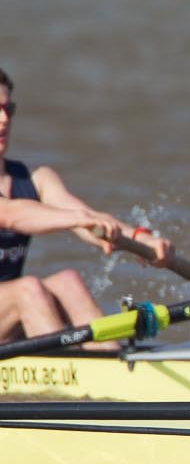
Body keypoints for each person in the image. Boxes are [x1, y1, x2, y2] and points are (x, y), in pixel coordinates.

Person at [0, 65, 177, 341]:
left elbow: (90, 220)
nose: (3, 120)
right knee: (29, 289)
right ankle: (69, 373)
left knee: (68, 282)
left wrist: (141, 240)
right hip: (15, 300)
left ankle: (110, 364)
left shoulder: (35, 179)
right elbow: (11, 215)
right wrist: (78, 219)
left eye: (8, 110)